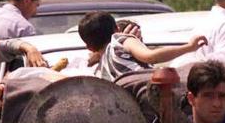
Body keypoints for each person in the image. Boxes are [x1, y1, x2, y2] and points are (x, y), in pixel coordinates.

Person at [78, 11, 206, 81]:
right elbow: (151, 57)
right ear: (116, 29)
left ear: (90, 47)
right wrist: (189, 47)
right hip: (146, 91)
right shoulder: (118, 40)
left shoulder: (99, 73)